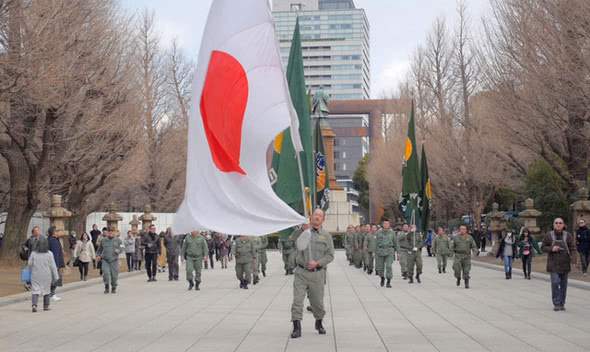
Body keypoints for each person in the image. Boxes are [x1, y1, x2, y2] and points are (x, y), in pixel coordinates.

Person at [290, 209, 334, 339]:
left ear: (323, 219)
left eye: (320, 216)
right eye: (315, 215)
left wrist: (318, 263)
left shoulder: (326, 236)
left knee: (317, 303)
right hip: (301, 272)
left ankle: (319, 322)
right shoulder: (303, 232)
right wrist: (301, 229)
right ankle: (297, 327)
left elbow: (330, 255)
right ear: (311, 217)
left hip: (317, 274)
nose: (317, 217)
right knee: (297, 300)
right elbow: (292, 240)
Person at [541, 217, 577, 311]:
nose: (558, 224)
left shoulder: (568, 235)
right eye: (556, 223)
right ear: (553, 225)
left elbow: (573, 248)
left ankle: (562, 303)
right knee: (555, 282)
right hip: (553, 264)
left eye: (560, 223)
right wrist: (551, 249)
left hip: (565, 264)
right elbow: (543, 247)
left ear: (563, 225)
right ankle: (556, 303)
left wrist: (573, 261)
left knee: (564, 285)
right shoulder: (549, 235)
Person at [28, 237, 59, 313]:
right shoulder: (49, 253)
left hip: (35, 274)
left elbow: (29, 264)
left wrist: (30, 271)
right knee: (46, 290)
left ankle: (34, 305)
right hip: (46, 275)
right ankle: (46, 306)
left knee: (35, 290)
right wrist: (56, 277)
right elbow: (53, 266)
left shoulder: (33, 253)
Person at [96, 228, 122, 294]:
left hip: (114, 260)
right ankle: (106, 286)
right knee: (106, 274)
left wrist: (119, 250)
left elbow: (122, 248)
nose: (110, 233)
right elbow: (99, 250)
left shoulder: (118, 240)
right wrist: (98, 255)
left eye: (112, 232)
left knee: (114, 276)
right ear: (107, 232)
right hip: (105, 260)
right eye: (109, 232)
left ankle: (113, 287)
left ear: (114, 232)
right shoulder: (103, 240)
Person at [451, 224, 477, 289]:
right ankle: (458, 277)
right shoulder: (456, 237)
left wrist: (475, 251)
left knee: (466, 270)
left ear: (466, 230)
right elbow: (452, 246)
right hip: (458, 256)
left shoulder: (470, 237)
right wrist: (451, 253)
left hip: (466, 256)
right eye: (461, 229)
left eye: (464, 229)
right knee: (456, 269)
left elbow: (473, 246)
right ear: (459, 230)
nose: (462, 230)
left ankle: (466, 282)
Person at [375, 220, 396, 288]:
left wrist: (398, 252)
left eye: (387, 224)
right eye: (385, 223)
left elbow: (396, 242)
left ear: (389, 225)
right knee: (380, 268)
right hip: (380, 251)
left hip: (389, 250)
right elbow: (375, 243)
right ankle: (382, 278)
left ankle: (388, 281)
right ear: (382, 224)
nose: (386, 225)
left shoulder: (392, 233)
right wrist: (375, 252)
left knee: (389, 266)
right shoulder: (378, 232)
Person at [47, 226, 65, 301]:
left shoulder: (53, 240)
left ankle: (51, 294)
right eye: (57, 231)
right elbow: (55, 254)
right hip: (54, 264)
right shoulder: (53, 241)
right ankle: (52, 294)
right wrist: (56, 265)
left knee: (54, 279)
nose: (59, 232)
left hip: (54, 263)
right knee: (55, 279)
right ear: (54, 232)